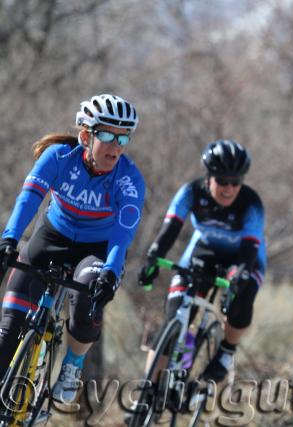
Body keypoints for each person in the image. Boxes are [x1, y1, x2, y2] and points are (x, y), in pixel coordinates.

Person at [0, 94, 145, 403]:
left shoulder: (128, 180)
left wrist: (110, 272)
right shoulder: (58, 157)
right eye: (106, 135)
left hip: (98, 249)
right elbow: (29, 199)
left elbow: (122, 235)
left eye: (123, 137)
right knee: (7, 334)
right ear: (85, 135)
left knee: (88, 296)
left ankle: (72, 365)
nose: (115, 145)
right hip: (53, 237)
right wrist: (9, 239)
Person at [138, 139, 266, 384]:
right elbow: (169, 230)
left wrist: (237, 279)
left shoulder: (251, 203)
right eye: (222, 181)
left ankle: (226, 352)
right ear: (209, 177)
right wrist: (153, 259)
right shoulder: (191, 192)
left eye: (235, 182)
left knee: (244, 291)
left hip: (242, 256)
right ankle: (147, 393)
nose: (228, 188)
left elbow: (250, 248)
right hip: (204, 250)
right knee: (173, 317)